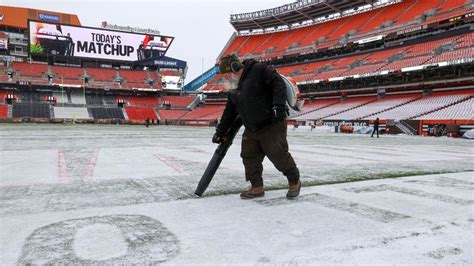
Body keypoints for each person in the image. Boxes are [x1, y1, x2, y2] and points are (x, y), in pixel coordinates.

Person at [213, 54, 301, 199]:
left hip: (271, 123)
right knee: (249, 157)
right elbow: (229, 112)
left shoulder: (259, 70)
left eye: (226, 75)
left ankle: (294, 181)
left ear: (234, 68)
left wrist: (278, 106)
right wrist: (220, 131)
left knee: (278, 155)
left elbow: (277, 83)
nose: (225, 79)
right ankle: (257, 187)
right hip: (251, 128)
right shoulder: (234, 89)